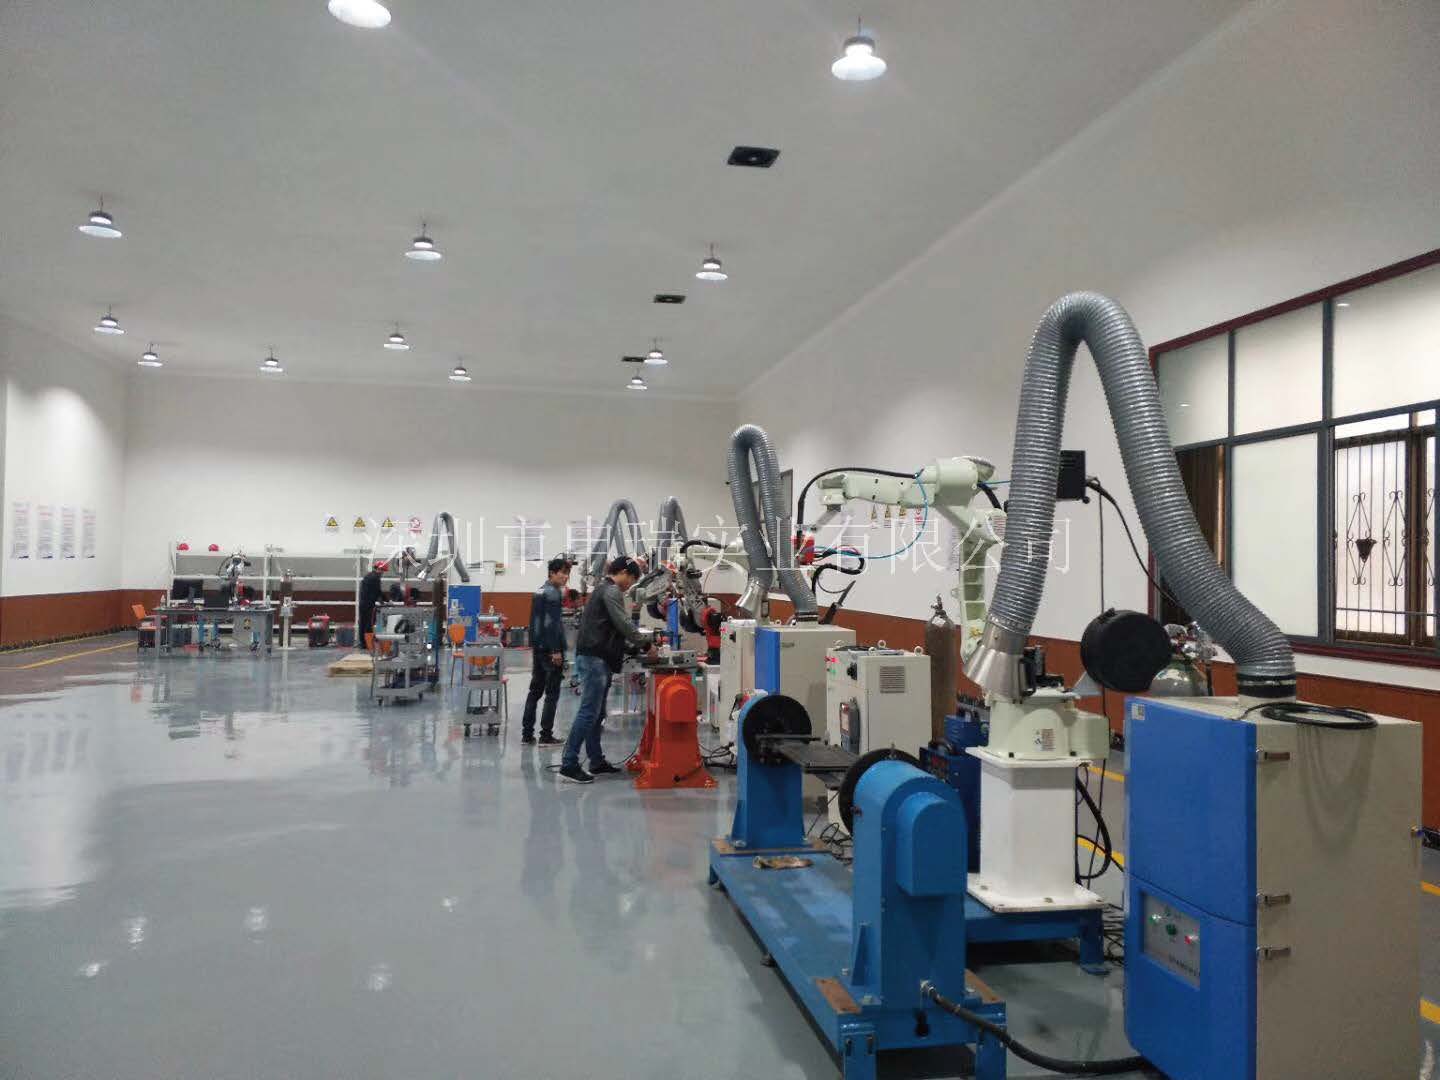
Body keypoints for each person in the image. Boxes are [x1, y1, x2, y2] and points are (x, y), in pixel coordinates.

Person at [559, 556, 654, 784]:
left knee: (597, 713)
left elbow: (611, 629)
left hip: (597, 657)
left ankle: (596, 760)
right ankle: (569, 763)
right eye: (632, 579)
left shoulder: (603, 590)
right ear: (623, 573)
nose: (630, 585)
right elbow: (623, 623)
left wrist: (632, 647)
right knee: (589, 712)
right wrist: (646, 645)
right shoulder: (611, 591)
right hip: (595, 659)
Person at [521, 556, 572, 746]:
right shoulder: (553, 593)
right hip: (551, 650)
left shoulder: (539, 591)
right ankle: (546, 735)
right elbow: (552, 624)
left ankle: (527, 735)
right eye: (563, 573)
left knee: (534, 691)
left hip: (539, 648)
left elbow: (535, 623)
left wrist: (537, 645)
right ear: (552, 573)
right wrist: (556, 650)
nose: (566, 577)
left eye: (567, 574)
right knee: (552, 693)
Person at [357, 560, 385, 650]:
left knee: (362, 623)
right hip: (369, 604)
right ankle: (367, 643)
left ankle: (362, 643)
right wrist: (386, 601)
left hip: (362, 603)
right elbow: (378, 591)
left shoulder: (368, 576)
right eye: (383, 571)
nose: (383, 573)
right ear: (379, 569)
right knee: (369, 624)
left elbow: (372, 591)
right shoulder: (376, 578)